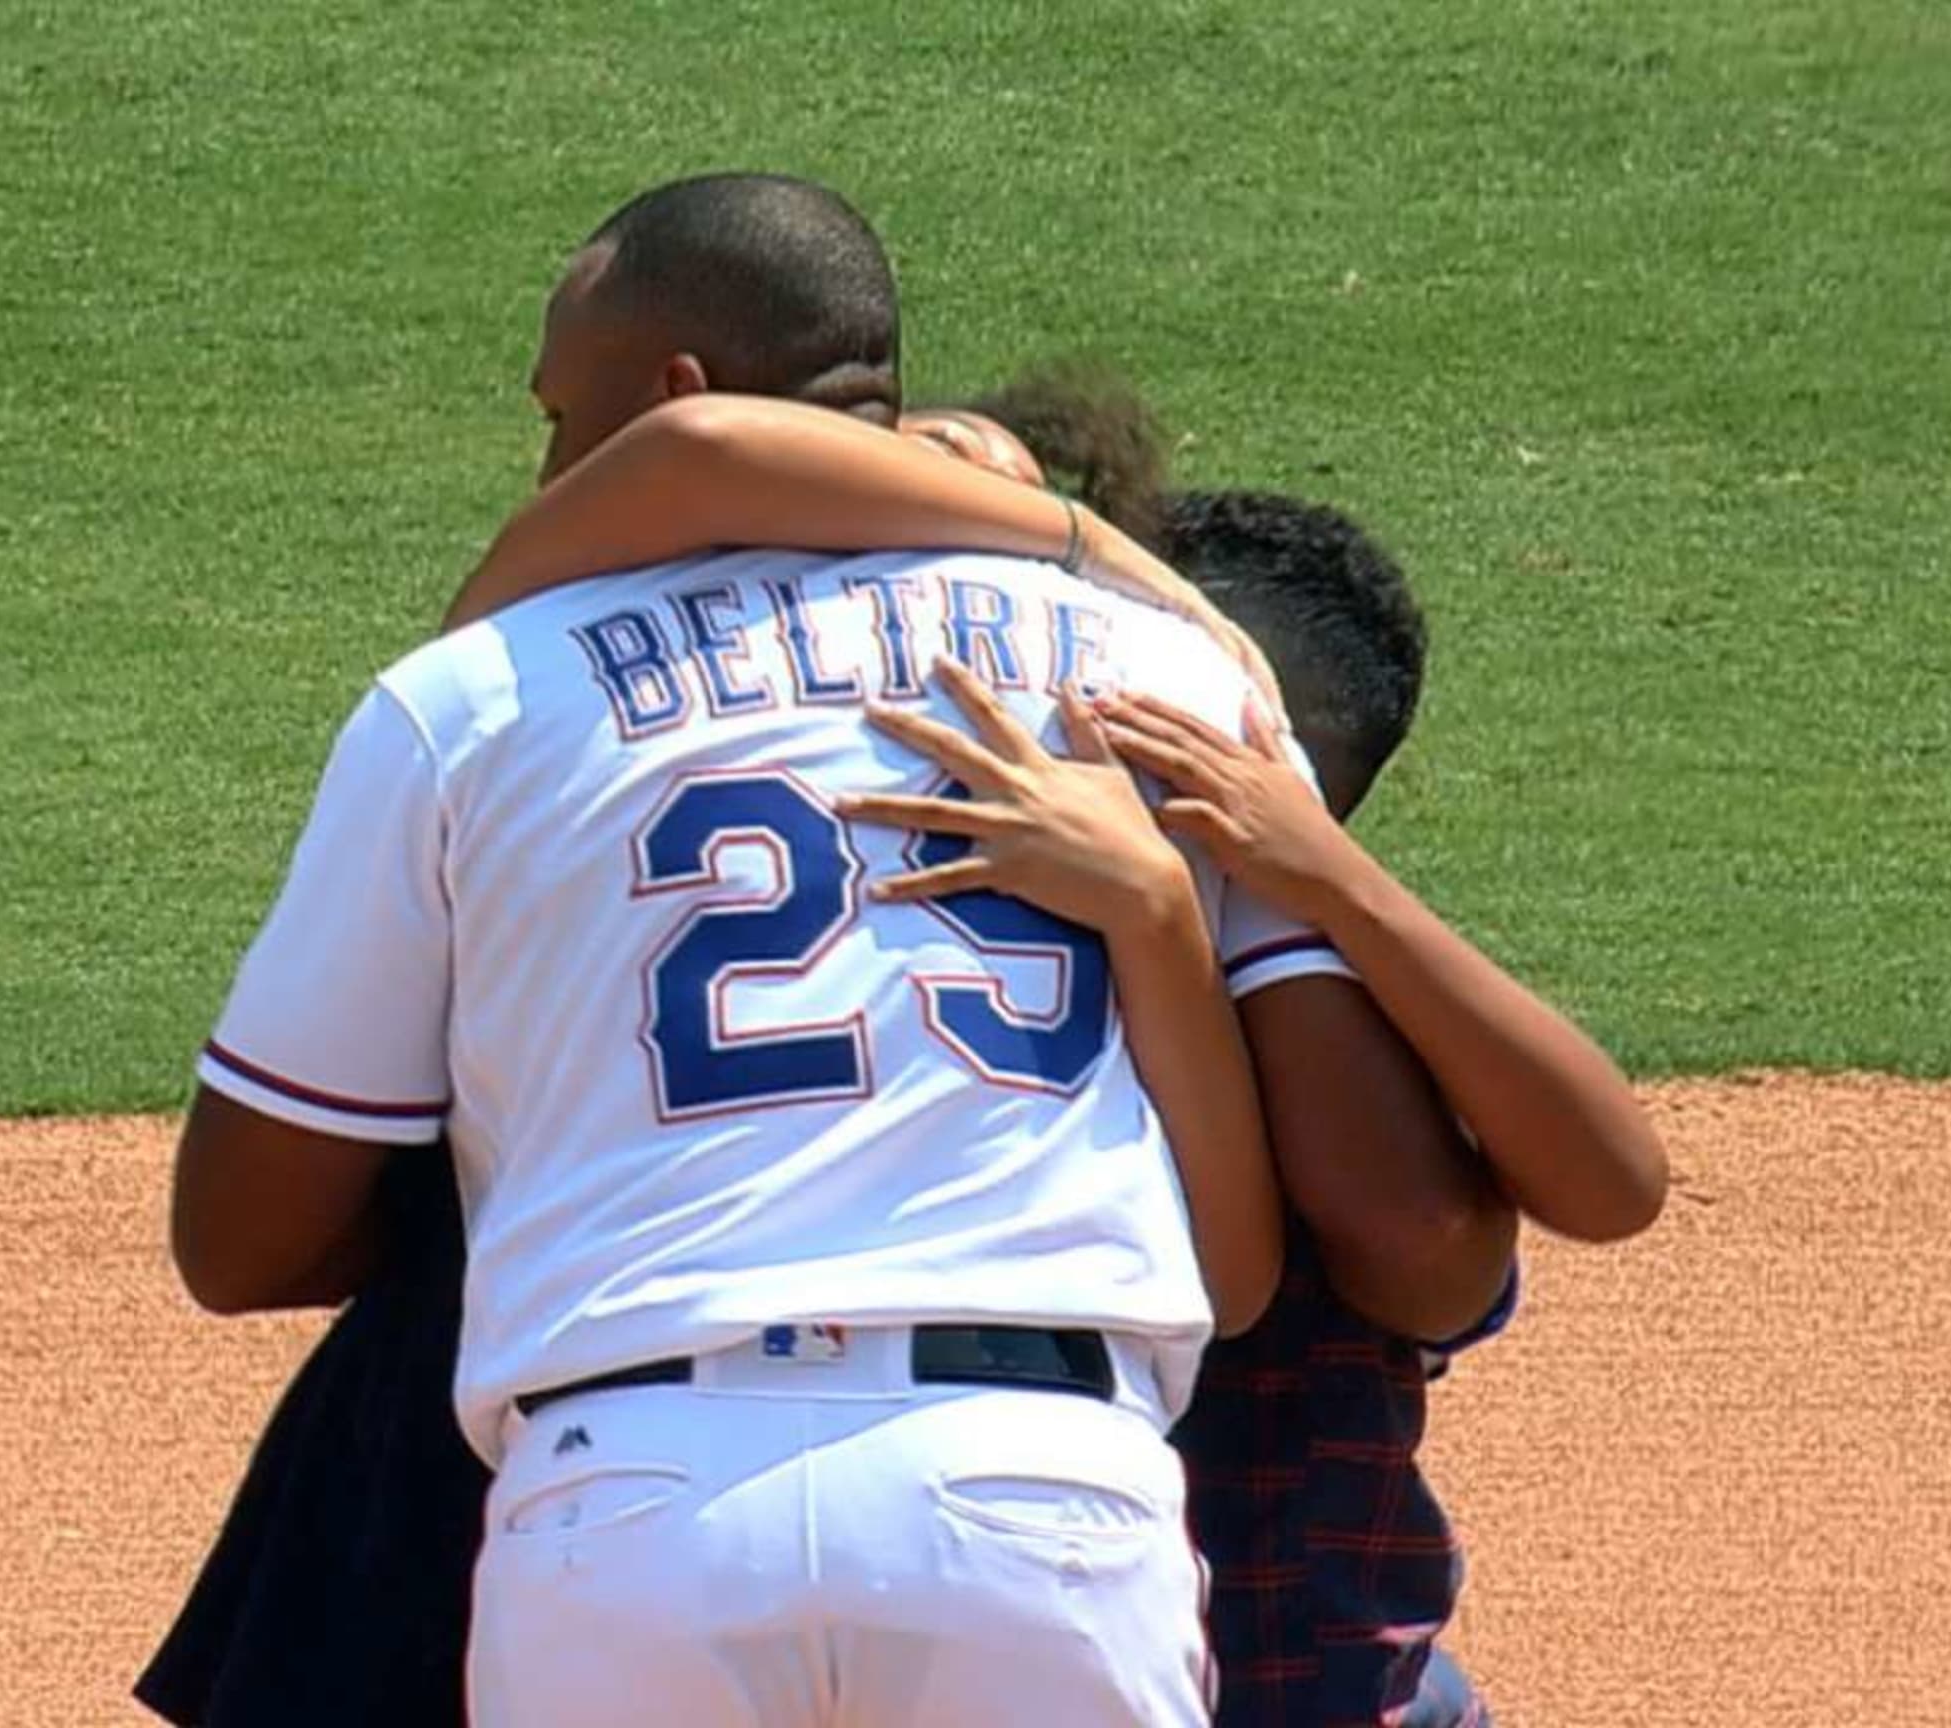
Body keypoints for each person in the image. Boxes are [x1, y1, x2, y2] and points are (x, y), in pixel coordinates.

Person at [168, 172, 1463, 1728]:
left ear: (667, 397)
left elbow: (240, 1239)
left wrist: (522, 1160)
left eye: (557, 419)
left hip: (634, 1505)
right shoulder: (1171, 675)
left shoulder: (478, 686)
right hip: (1039, 1497)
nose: (543, 469)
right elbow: (1388, 1230)